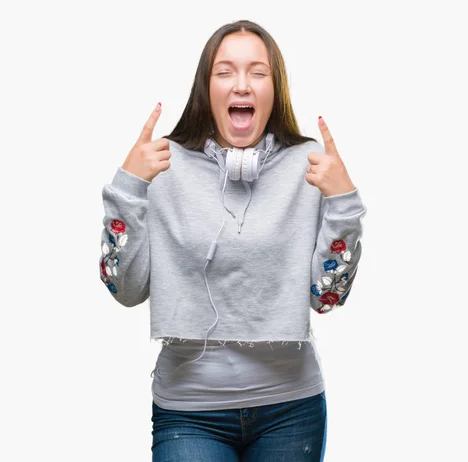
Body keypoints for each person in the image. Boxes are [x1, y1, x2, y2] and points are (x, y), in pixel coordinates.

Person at [99, 19, 367, 462]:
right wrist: (128, 188)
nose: (242, 84)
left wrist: (343, 204)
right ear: (207, 88)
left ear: (274, 88)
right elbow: (124, 290)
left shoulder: (309, 166)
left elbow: (327, 298)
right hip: (188, 412)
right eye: (225, 72)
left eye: (257, 72)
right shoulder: (161, 164)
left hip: (291, 410)